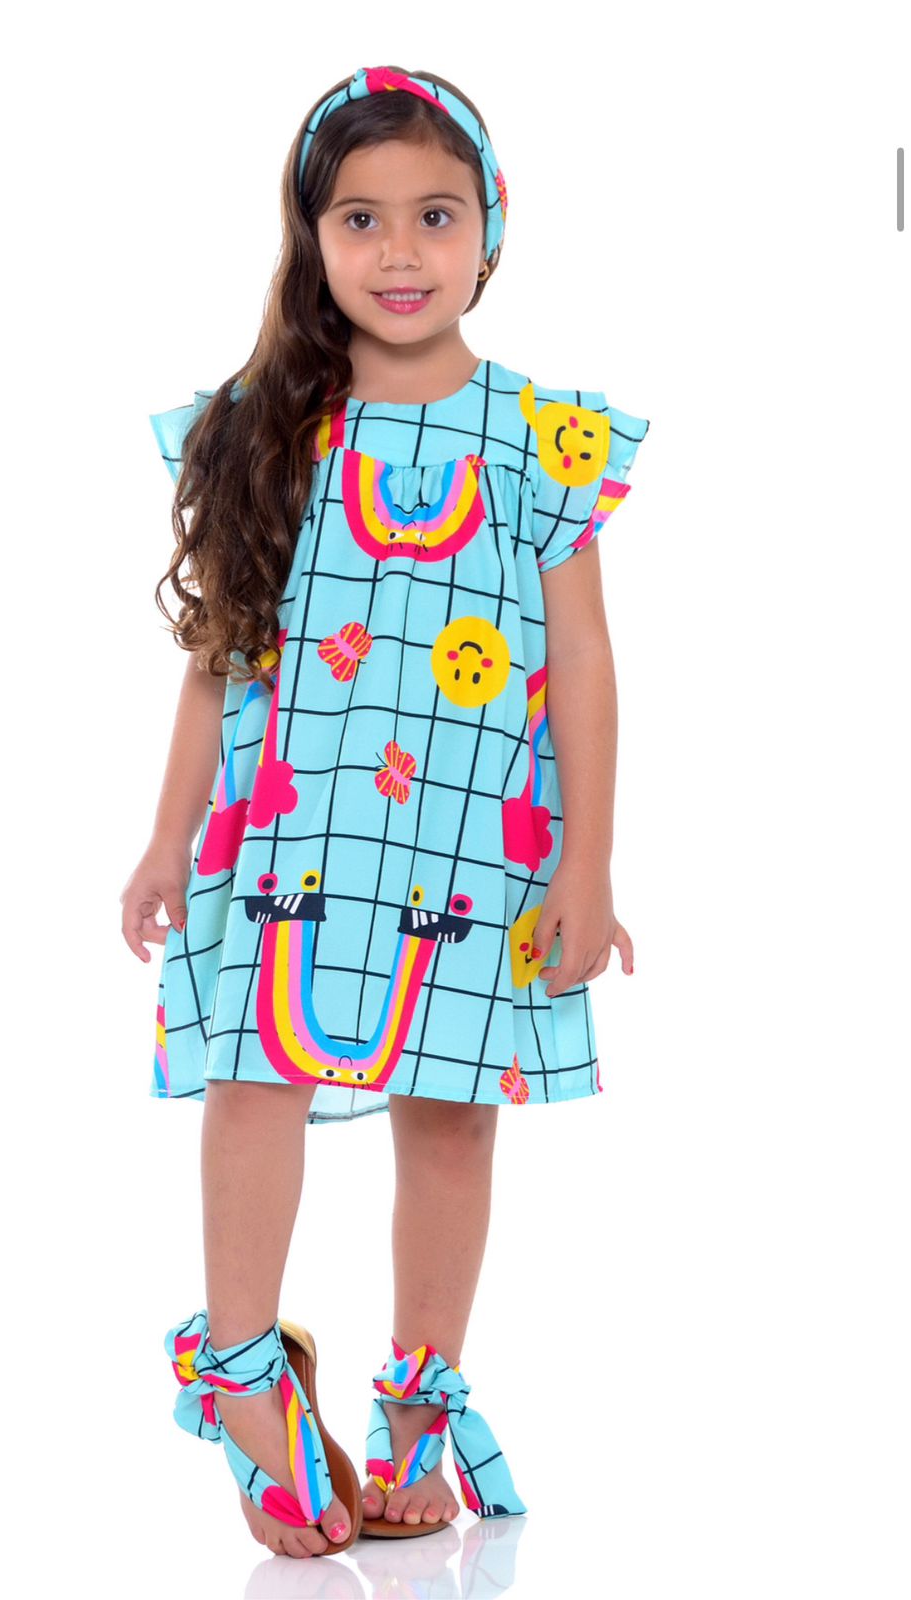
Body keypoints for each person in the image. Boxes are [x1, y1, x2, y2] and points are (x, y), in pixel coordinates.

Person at [120, 63, 650, 1562]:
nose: (400, 252)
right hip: (286, 834)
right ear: (312, 236)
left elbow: (582, 662)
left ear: (491, 231)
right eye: (360, 218)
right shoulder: (262, 430)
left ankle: (420, 1396)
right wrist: (164, 836)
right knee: (253, 1082)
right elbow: (221, 654)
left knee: (454, 1114)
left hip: (472, 845)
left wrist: (591, 865)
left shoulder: (542, 440)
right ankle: (241, 1376)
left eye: (435, 215)